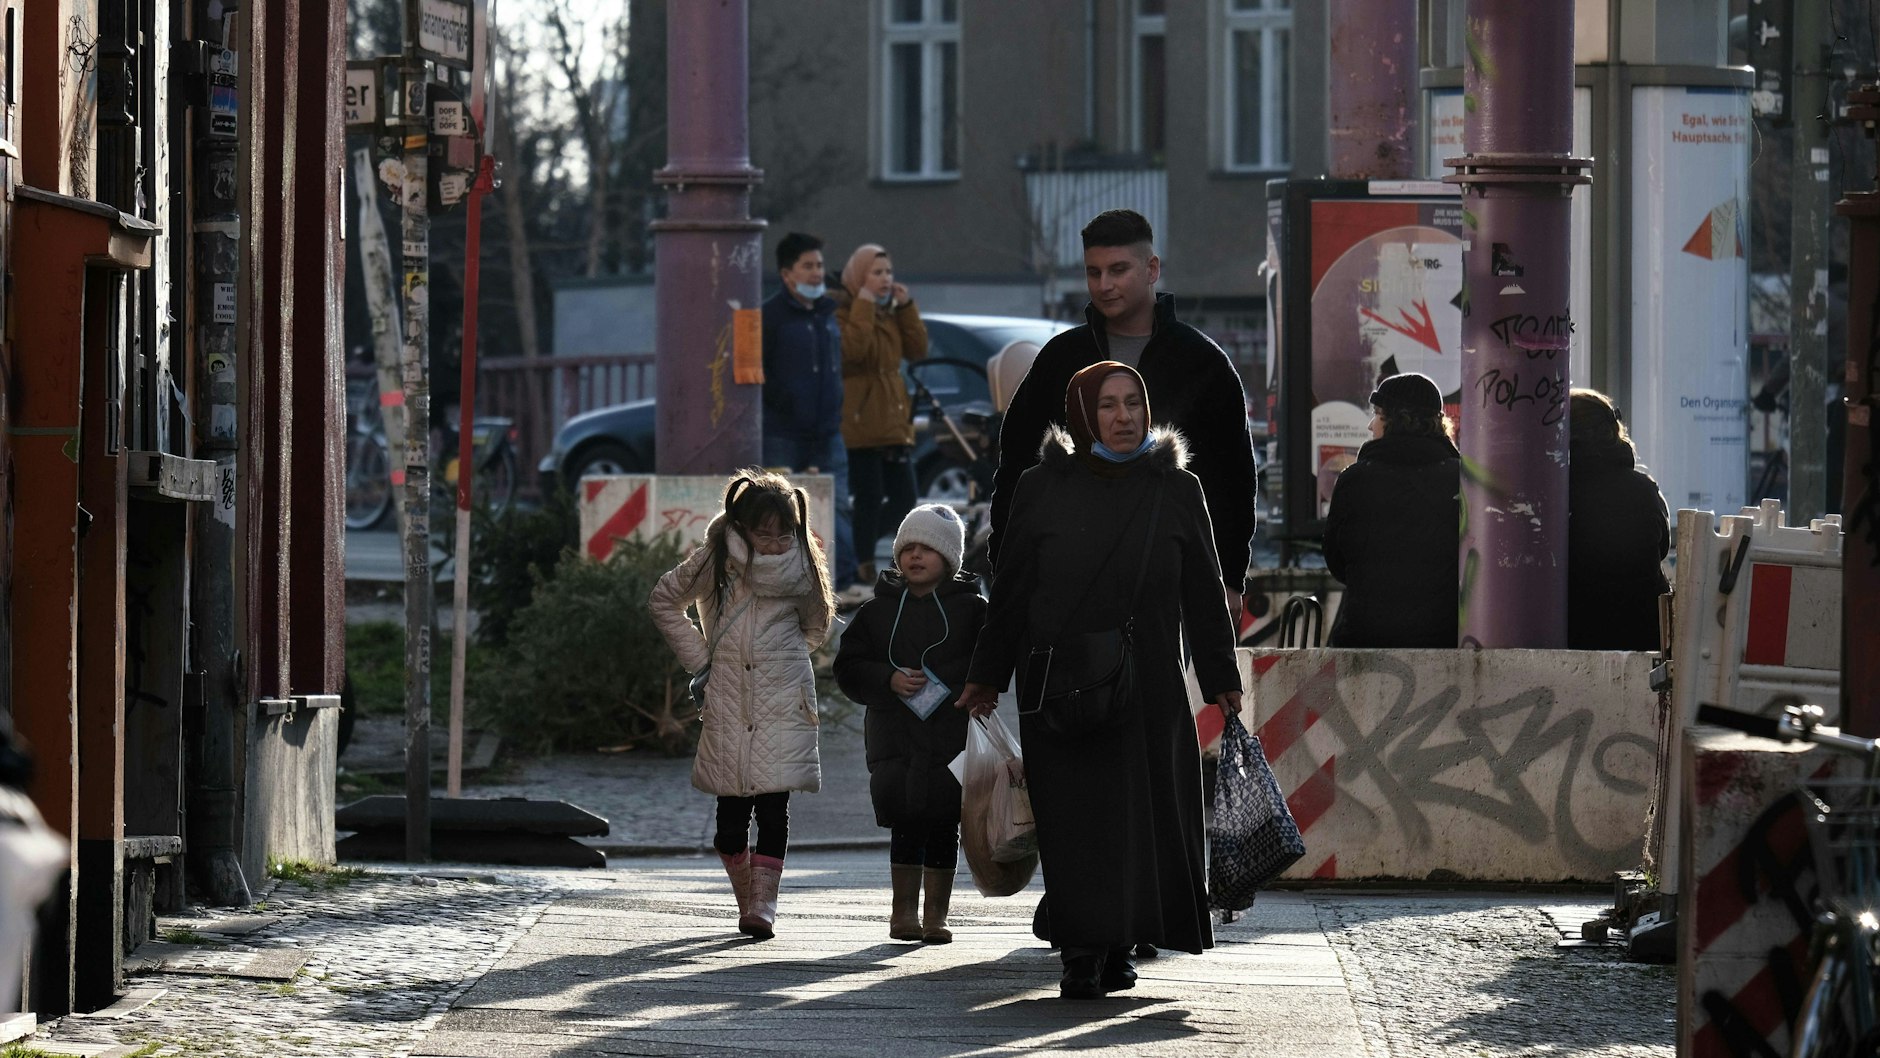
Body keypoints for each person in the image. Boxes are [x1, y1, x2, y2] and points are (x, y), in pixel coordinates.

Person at [956, 363, 1243, 1000]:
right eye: (1108, 405)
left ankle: (1118, 946)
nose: (1122, 416)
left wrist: (1221, 677)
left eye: (1133, 402)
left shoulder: (1176, 488)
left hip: (1148, 692)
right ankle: (1082, 954)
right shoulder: (1042, 487)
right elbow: (1011, 594)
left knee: (1138, 823)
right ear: (1085, 415)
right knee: (1076, 826)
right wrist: (984, 677)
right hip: (1060, 688)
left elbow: (1203, 590)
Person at [986, 209, 1257, 626]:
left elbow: (1233, 479)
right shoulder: (1061, 360)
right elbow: (1016, 468)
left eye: (1118, 270)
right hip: (1069, 579)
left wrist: (1230, 578)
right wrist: (1008, 572)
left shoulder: (1201, 363)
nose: (1104, 285)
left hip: (1172, 579)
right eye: (1093, 272)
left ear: (1152, 269)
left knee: (1162, 691)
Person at [648, 470, 836, 941]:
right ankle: (747, 898)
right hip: (729, 695)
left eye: (782, 532)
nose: (773, 542)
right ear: (742, 527)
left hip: (784, 698)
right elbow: (665, 600)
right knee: (730, 822)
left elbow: (817, 625)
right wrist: (701, 660)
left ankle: (763, 906)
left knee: (774, 810)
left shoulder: (804, 565)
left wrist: (784, 657)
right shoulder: (716, 557)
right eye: (762, 531)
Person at [833, 503, 986, 944]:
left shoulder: (973, 611)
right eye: (908, 548)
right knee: (904, 820)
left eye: (928, 549)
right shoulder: (877, 611)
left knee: (944, 822)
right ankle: (903, 912)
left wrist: (971, 687)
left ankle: (936, 914)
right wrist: (887, 678)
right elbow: (849, 665)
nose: (916, 557)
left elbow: (991, 661)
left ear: (950, 558)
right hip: (894, 736)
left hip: (951, 735)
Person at [1322, 372, 1460, 648]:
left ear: (1397, 420)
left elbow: (1337, 562)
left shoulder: (1355, 479)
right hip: (1444, 638)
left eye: (1378, 414)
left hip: (1363, 637)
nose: (1371, 425)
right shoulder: (1461, 479)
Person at [762, 232, 857, 590]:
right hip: (783, 434)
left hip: (827, 432)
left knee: (837, 508)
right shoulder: (770, 317)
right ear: (788, 274)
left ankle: (842, 586)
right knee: (780, 511)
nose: (817, 273)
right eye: (808, 266)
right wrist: (783, 402)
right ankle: (784, 583)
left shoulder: (826, 315)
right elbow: (758, 375)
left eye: (819, 265)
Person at [835, 243, 929, 597]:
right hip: (861, 421)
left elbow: (918, 349)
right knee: (870, 497)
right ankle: (861, 563)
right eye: (876, 273)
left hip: (892, 418)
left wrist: (906, 308)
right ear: (859, 277)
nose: (885, 279)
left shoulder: (890, 312)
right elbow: (852, 352)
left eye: (888, 272)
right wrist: (863, 304)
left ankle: (872, 552)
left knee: (906, 497)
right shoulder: (846, 312)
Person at [1567, 388, 1670, 651]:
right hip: (1645, 636)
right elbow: (1660, 548)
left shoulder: (1557, 495)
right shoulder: (1645, 489)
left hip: (1578, 638)